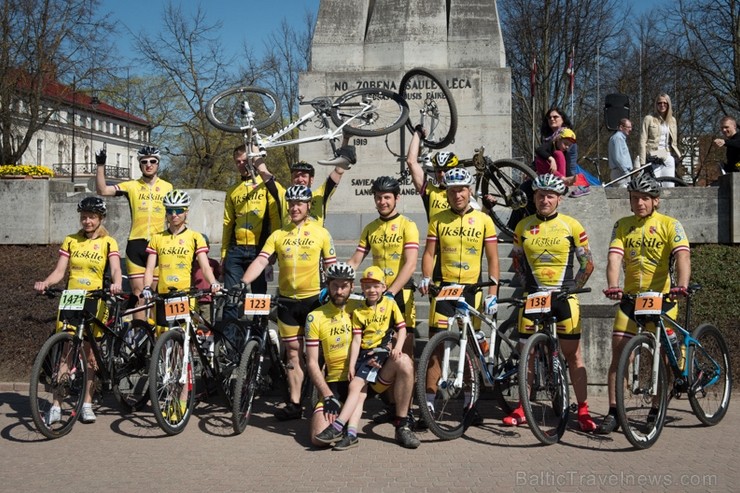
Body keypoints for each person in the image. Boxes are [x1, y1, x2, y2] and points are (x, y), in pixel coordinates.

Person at [596, 173, 691, 434]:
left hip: (662, 298)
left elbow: (682, 255)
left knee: (665, 357)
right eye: (635, 198)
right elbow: (614, 258)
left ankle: (656, 407)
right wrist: (614, 285)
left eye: (645, 199)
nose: (639, 203)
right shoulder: (622, 225)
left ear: (656, 201)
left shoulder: (670, 224)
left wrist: (681, 284)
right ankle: (614, 411)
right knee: (619, 355)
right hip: (631, 300)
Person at [503, 174, 596, 431]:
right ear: (534, 197)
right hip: (534, 297)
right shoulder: (523, 226)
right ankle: (523, 407)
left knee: (574, 355)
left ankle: (584, 410)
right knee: (527, 355)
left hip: (563, 297)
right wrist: (527, 286)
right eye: (541, 195)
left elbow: (587, 264)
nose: (545, 199)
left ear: (559, 199)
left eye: (550, 195)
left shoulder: (571, 225)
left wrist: (571, 289)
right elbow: (517, 260)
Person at [239, 185, 337, 420]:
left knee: (317, 355)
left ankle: (324, 399)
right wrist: (242, 283)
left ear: (308, 206)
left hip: (314, 301)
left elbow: (331, 267)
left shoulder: (321, 232)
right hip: (286, 303)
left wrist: (336, 294)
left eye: (299, 203)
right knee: (293, 354)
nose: (294, 207)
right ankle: (294, 404)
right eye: (291, 203)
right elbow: (261, 262)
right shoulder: (278, 234)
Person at [418, 168, 500, 420]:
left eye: (461, 189)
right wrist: (426, 277)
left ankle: (469, 403)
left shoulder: (484, 220)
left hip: (472, 292)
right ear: (447, 193)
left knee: (470, 350)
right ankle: (429, 404)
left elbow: (493, 258)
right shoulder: (438, 219)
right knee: (435, 347)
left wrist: (492, 293)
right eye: (452, 191)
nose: (457, 195)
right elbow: (430, 253)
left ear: (470, 190)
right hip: (444, 290)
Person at [34, 197, 123, 424]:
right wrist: (46, 282)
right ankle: (56, 405)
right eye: (83, 216)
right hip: (72, 296)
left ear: (100, 218)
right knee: (65, 350)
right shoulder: (71, 241)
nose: (87, 221)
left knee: (90, 353)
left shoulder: (108, 242)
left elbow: (114, 269)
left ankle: (87, 403)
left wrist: (116, 283)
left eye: (92, 217)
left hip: (94, 297)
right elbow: (59, 271)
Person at [314, 266, 419, 450]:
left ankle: (401, 424)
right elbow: (357, 340)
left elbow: (401, 328)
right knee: (358, 392)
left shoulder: (389, 303)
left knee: (403, 363)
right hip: (357, 363)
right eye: (367, 286)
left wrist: (396, 347)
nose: (372, 290)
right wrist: (352, 365)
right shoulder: (356, 311)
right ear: (361, 288)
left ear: (384, 287)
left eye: (376, 286)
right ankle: (351, 434)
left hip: (380, 358)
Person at [347, 176, 420, 423]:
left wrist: (391, 292)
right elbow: (356, 260)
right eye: (378, 197)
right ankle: (391, 403)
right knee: (383, 350)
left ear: (397, 198)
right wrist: (340, 277)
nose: (382, 201)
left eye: (387, 197)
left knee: (404, 351)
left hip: (401, 295)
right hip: (378, 297)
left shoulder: (408, 225)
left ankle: (406, 410)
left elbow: (410, 264)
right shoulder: (370, 228)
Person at [95, 146, 173, 316]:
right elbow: (103, 190)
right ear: (139, 165)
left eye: (153, 161)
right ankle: (140, 337)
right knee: (139, 295)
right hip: (136, 245)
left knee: (155, 295)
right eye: (144, 162)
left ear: (158, 164)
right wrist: (100, 165)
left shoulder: (168, 187)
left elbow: (176, 215)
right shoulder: (131, 186)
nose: (149, 165)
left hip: (159, 245)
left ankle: (156, 339)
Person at [221, 144, 284, 321]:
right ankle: (229, 343)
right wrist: (224, 252)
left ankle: (258, 338)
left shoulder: (265, 187)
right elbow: (228, 223)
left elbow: (275, 219)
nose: (242, 164)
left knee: (258, 298)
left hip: (259, 250)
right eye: (238, 162)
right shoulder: (233, 190)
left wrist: (273, 250)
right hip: (236, 250)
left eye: (245, 160)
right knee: (231, 299)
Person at [305, 262, 359, 446]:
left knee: (404, 364)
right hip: (334, 382)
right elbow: (312, 362)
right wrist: (327, 396)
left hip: (361, 379)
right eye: (335, 285)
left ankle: (401, 420)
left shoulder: (361, 308)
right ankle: (343, 417)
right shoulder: (315, 316)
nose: (339, 290)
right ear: (327, 285)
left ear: (352, 286)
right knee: (317, 439)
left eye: (344, 286)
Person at [256, 134, 356, 226]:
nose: (300, 179)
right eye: (296, 176)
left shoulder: (319, 195)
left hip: (315, 243)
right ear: (291, 179)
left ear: (311, 180)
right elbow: (263, 171)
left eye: (304, 176)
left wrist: (346, 138)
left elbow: (339, 169)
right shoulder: (283, 195)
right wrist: (252, 142)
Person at [405, 127, 461, 220]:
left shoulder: (463, 192)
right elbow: (411, 162)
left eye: (446, 170)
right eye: (439, 170)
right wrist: (418, 132)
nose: (442, 174)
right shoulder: (430, 191)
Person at [540, 107, 589, 197]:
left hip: (562, 173)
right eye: (549, 117)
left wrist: (571, 180)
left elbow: (570, 163)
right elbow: (541, 153)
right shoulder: (547, 138)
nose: (552, 119)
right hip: (549, 172)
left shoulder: (568, 138)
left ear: (563, 119)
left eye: (555, 117)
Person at [638, 93, 681, 187]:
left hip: (667, 155)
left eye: (665, 103)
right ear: (656, 105)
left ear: (668, 105)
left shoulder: (672, 120)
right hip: (653, 154)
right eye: (659, 103)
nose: (662, 105)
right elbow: (642, 140)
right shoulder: (649, 119)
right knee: (654, 187)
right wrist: (642, 162)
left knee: (669, 187)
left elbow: (673, 142)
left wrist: (678, 155)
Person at [608, 118, 634, 187]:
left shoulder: (618, 138)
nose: (630, 129)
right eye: (628, 127)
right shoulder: (618, 138)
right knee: (624, 196)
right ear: (621, 127)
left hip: (621, 173)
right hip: (620, 173)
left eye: (631, 127)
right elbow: (618, 157)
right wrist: (626, 172)